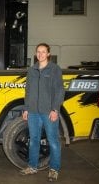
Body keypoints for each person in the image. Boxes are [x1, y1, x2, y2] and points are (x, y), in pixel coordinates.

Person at [20, 43, 64, 182]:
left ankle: (54, 169)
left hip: (48, 111)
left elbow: (59, 91)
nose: (40, 54)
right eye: (38, 52)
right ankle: (32, 166)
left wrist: (55, 109)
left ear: (48, 54)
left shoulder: (54, 69)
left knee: (53, 141)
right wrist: (26, 108)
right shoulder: (32, 70)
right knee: (33, 140)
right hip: (33, 111)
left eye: (43, 52)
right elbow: (27, 91)